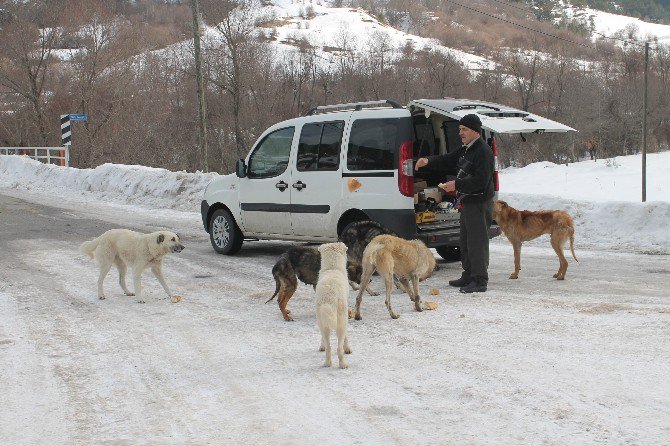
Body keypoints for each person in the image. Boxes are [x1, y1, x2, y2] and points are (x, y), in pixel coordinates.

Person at [415, 114, 494, 293]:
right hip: (468, 201)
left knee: (477, 243)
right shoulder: (467, 148)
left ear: (475, 130)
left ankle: (480, 280)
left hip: (479, 203)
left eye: (464, 129)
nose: (460, 133)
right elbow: (448, 159)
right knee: (465, 241)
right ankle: (468, 274)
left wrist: (456, 184)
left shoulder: (483, 151)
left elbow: (482, 180)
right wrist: (428, 160)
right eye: (459, 129)